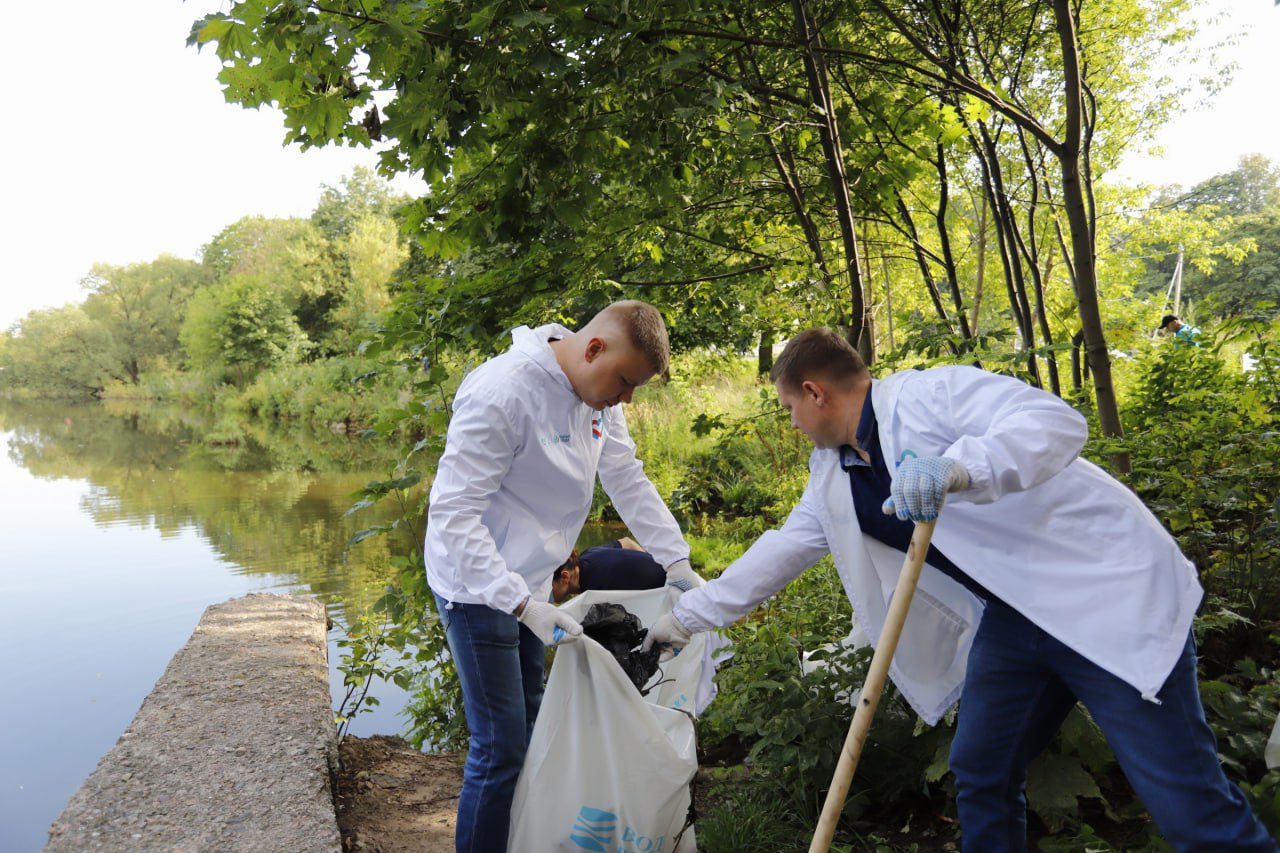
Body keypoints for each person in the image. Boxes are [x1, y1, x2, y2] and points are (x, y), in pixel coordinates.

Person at [644, 328, 1275, 851]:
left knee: (1186, 808)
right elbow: (780, 553)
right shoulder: (836, 473)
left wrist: (960, 465)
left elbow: (1053, 421)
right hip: (1016, 620)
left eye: (788, 409)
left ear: (814, 392)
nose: (792, 423)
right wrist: (684, 620)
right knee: (981, 768)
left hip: (1104, 601)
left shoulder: (929, 396)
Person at [424, 300, 704, 853]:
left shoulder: (598, 395)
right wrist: (522, 606)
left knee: (529, 729)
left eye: (635, 388)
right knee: (499, 747)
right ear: (594, 348)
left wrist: (677, 562)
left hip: (531, 587)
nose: (627, 397)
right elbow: (453, 516)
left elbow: (625, 475)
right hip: (477, 587)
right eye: (625, 381)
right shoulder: (502, 392)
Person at [551, 537, 667, 603]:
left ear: (565, 577)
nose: (542, 595)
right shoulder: (588, 554)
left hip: (668, 593)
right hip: (668, 567)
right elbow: (626, 542)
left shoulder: (593, 592)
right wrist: (650, 562)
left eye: (547, 588)